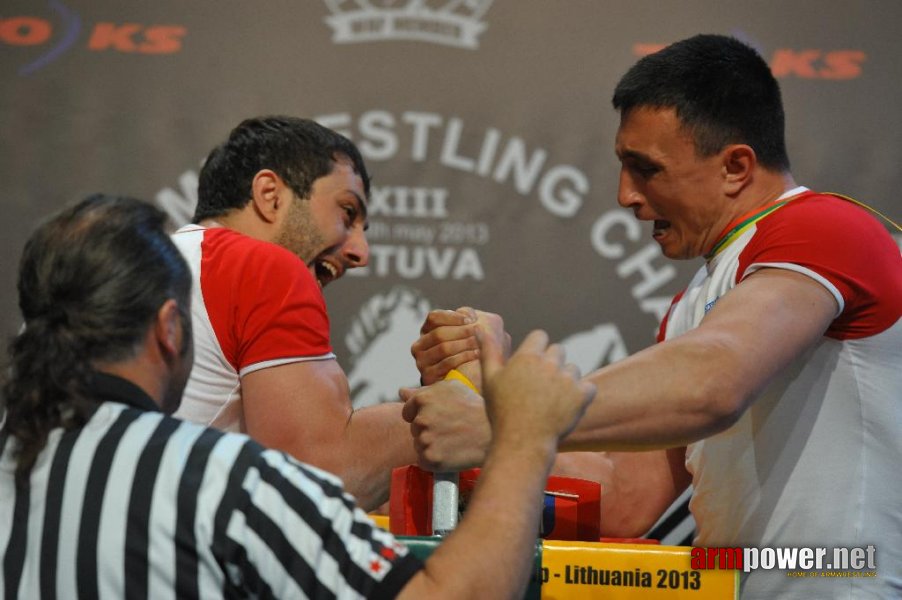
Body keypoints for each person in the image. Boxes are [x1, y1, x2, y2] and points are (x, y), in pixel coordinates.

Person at [406, 34, 902, 598]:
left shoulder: (826, 227)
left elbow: (715, 381)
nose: (625, 195)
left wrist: (507, 415)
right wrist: (491, 408)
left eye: (645, 169)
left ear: (736, 166)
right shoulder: (694, 302)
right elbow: (625, 500)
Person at [0, 194, 595, 598]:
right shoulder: (222, 481)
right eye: (348, 213)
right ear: (170, 329)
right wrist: (522, 437)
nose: (358, 248)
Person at [171, 116, 478, 511]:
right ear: (270, 195)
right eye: (348, 213)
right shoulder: (260, 266)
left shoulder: (158, 261)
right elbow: (318, 479)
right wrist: (464, 396)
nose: (360, 253)